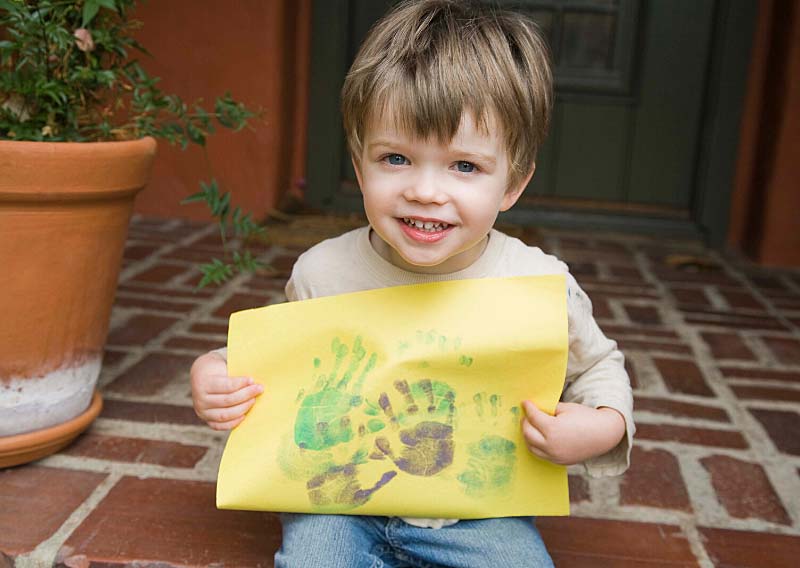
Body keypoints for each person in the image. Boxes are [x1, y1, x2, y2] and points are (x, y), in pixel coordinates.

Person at [190, 1, 634, 566]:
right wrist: (215, 371)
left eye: (464, 166)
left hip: (476, 511)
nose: (425, 191)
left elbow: (599, 366)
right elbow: (284, 367)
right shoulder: (322, 272)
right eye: (396, 158)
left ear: (512, 185)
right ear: (360, 167)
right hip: (337, 500)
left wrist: (601, 426)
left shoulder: (538, 285)